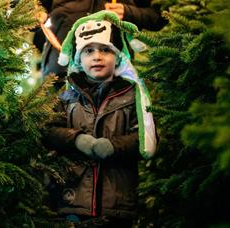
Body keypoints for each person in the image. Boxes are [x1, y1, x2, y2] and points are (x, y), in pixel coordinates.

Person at [42, 11, 157, 227]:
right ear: (78, 58)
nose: (97, 56)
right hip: (73, 200)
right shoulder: (66, 96)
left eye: (105, 50)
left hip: (117, 204)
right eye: (88, 51)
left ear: (118, 56)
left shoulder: (133, 96)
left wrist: (114, 146)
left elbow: (142, 137)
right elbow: (48, 130)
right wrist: (75, 139)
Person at [34, 0, 167, 89]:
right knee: (57, 122)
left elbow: (162, 14)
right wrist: (36, 14)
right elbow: (31, 7)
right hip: (61, 65)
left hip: (115, 68)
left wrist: (128, 12)